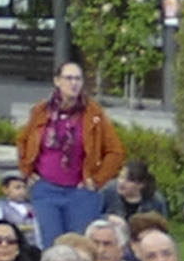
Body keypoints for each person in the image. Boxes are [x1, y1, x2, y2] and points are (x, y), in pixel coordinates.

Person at [15, 63, 126, 248]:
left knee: (79, 247)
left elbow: (115, 151)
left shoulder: (94, 113)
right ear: (57, 81)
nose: (73, 83)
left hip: (80, 193)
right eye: (68, 78)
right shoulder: (41, 110)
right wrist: (27, 170)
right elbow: (23, 140)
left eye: (78, 79)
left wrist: (97, 180)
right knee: (52, 247)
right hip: (46, 190)